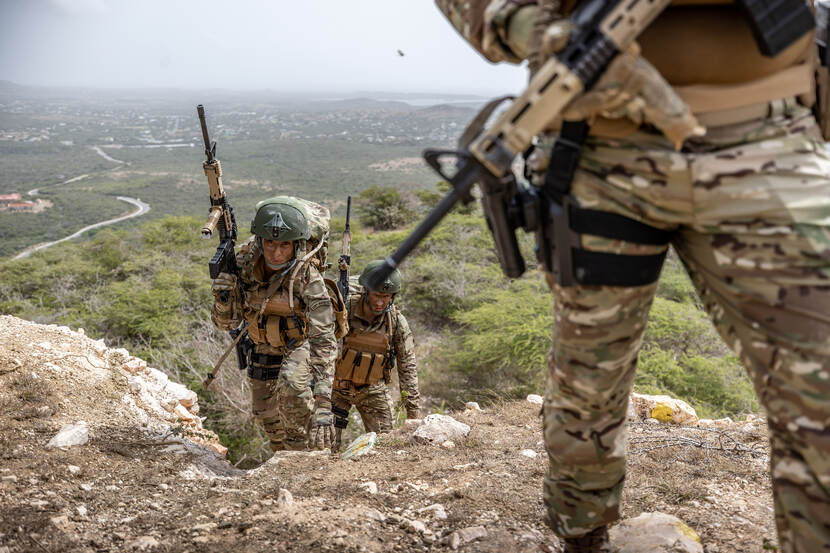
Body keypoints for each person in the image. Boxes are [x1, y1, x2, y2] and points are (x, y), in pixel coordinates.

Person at [434, 2, 830, 552]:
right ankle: (582, 531)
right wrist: (527, 27)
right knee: (588, 383)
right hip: (596, 153)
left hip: (768, 142)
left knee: (820, 385)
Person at [211, 196, 338, 451]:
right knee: (263, 411)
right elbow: (226, 324)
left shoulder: (308, 276)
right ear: (260, 241)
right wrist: (223, 299)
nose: (277, 253)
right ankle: (281, 456)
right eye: (270, 243)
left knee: (292, 385)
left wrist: (324, 403)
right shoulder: (242, 264)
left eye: (285, 245)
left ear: (296, 244)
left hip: (300, 341)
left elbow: (324, 340)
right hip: (263, 342)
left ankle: (301, 451)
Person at [331, 260, 420, 451]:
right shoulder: (343, 310)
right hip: (336, 388)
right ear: (366, 291)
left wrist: (413, 413)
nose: (380, 302)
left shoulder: (396, 321)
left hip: (373, 389)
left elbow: (407, 366)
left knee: (385, 446)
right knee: (322, 446)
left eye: (386, 297)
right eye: (376, 295)